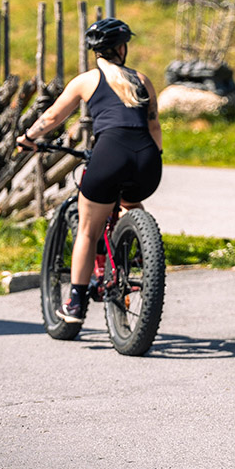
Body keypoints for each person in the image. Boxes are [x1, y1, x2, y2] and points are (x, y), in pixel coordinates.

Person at [16, 18, 163, 324]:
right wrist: (154, 155)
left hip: (110, 153)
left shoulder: (86, 80)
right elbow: (154, 126)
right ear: (121, 49)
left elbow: (53, 116)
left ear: (96, 51)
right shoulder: (143, 80)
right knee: (130, 200)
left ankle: (75, 302)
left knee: (87, 229)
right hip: (148, 160)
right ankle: (135, 251)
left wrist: (28, 138)